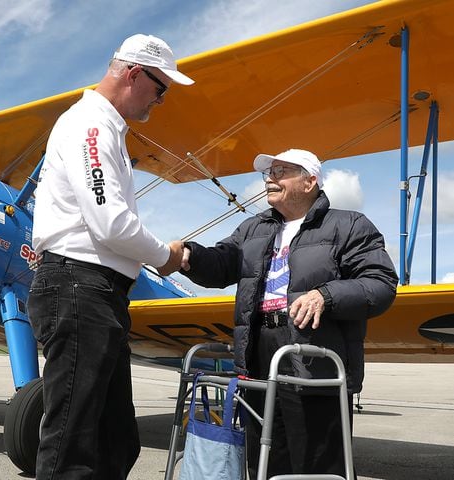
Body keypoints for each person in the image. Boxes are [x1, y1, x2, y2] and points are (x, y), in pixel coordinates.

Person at [171, 148, 398, 478]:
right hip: (258, 352)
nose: (270, 179)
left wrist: (326, 295)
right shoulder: (252, 229)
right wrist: (189, 255)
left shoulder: (348, 225)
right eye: (269, 173)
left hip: (313, 355)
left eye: (281, 171)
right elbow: (221, 264)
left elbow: (380, 284)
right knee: (263, 456)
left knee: (313, 461)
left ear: (309, 182)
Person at [28, 34, 193, 479]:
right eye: (161, 89)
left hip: (97, 292)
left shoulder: (104, 128)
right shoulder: (91, 125)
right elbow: (109, 222)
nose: (161, 100)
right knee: (72, 440)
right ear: (135, 73)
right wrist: (165, 255)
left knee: (115, 440)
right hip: (80, 287)